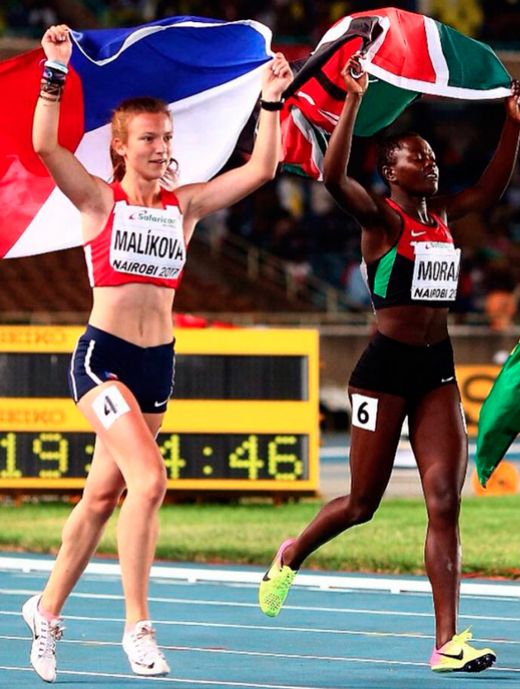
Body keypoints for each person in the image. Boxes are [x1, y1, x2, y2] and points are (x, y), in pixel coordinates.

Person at [22, 24, 292, 682]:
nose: (160, 148)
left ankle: (46, 608)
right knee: (149, 481)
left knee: (98, 499)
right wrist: (55, 69)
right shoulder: (97, 198)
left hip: (156, 366)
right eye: (148, 138)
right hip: (101, 359)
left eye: (166, 138)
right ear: (121, 145)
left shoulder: (187, 205)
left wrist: (272, 100)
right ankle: (137, 627)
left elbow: (261, 168)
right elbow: (43, 145)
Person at [259, 52, 520, 673]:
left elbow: (489, 189)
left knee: (444, 497)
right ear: (391, 171)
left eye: (432, 156)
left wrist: (512, 124)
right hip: (382, 373)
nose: (430, 162)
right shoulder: (381, 220)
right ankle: (293, 553)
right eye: (417, 156)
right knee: (362, 503)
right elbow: (332, 179)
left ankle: (446, 642)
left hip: (436, 369)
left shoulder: (443, 216)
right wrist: (353, 101)